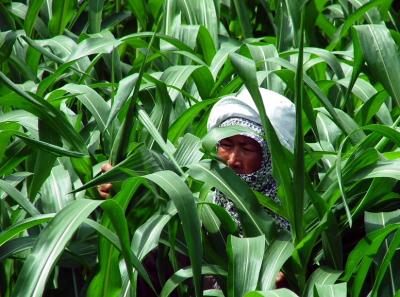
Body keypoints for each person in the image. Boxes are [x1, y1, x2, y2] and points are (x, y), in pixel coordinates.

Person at [207, 87, 295, 231]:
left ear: (270, 158)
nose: (232, 160)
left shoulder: (292, 217)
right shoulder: (202, 209)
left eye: (246, 149)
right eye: (226, 144)